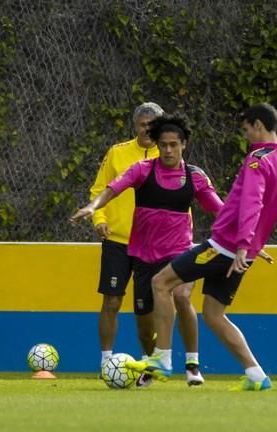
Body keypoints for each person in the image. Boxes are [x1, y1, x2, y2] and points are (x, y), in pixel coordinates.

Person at [126, 103, 277, 391]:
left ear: (257, 125)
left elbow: (252, 200)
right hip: (244, 251)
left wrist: (242, 243)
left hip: (226, 246)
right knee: (214, 314)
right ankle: (257, 375)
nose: (246, 136)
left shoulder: (257, 159)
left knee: (160, 282)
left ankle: (163, 359)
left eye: (246, 130)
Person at [74, 113, 224, 386]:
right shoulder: (142, 170)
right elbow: (112, 189)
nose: (168, 150)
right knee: (144, 322)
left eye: (173, 145)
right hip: (143, 254)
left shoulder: (195, 176)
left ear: (184, 145)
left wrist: (244, 239)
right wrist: (93, 207)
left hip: (179, 251)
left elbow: (220, 211)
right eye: (163, 144)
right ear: (157, 144)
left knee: (181, 295)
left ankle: (192, 364)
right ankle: (151, 362)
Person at [88, 102, 172, 383]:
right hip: (117, 240)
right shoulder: (118, 153)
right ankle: (105, 362)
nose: (147, 130)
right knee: (111, 301)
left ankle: (151, 364)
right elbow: (100, 189)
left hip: (152, 245)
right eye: (142, 125)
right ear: (135, 126)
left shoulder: (169, 155)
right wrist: (99, 217)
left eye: (152, 125)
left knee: (145, 312)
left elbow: (182, 202)